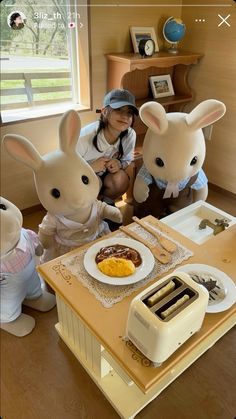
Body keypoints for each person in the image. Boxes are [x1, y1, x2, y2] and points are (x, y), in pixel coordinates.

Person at [76, 89, 138, 205]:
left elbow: (127, 160)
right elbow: (67, 169)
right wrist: (90, 168)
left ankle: (107, 204)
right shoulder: (83, 138)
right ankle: (89, 210)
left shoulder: (130, 135)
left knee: (121, 179)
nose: (125, 116)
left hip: (106, 176)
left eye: (129, 112)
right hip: (81, 177)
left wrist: (119, 164)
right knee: (94, 183)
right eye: (119, 110)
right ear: (104, 112)